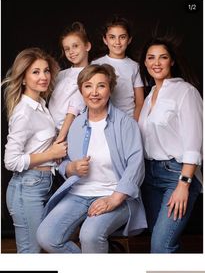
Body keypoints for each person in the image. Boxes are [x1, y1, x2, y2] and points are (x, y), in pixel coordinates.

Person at [37, 64, 146, 253]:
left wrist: (114, 199)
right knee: (46, 237)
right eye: (88, 86)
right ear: (81, 90)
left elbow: (136, 166)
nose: (94, 92)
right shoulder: (76, 124)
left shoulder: (125, 124)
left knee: (90, 235)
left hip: (115, 195)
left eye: (101, 86)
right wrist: (71, 168)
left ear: (110, 89)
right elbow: (64, 163)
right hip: (78, 194)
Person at [138, 36, 203, 253]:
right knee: (165, 242)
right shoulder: (149, 97)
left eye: (162, 57)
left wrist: (184, 184)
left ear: (171, 61)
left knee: (161, 246)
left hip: (176, 175)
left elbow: (194, 142)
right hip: (149, 177)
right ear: (145, 63)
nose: (156, 63)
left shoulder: (186, 91)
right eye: (151, 58)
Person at [3, 47, 68, 253]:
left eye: (46, 71)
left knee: (41, 248)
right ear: (23, 78)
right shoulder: (24, 112)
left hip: (41, 183)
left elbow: (38, 144)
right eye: (35, 72)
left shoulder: (40, 103)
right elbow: (10, 161)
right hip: (27, 187)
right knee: (31, 253)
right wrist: (51, 154)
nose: (43, 77)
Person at [92, 16, 144, 120]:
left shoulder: (134, 66)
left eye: (122, 37)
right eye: (112, 37)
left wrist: (134, 123)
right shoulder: (96, 64)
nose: (117, 42)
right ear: (105, 40)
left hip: (128, 118)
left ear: (129, 40)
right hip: (103, 119)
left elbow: (139, 102)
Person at [49, 22, 91, 141]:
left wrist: (60, 139)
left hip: (68, 135)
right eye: (67, 49)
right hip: (51, 133)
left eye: (75, 46)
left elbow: (73, 110)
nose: (71, 51)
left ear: (87, 46)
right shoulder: (61, 74)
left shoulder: (89, 75)